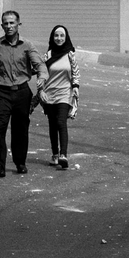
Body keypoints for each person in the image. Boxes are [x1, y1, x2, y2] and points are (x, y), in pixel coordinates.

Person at [0, 11, 49, 176]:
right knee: (0, 127)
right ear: (2, 25)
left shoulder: (27, 45)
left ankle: (20, 162)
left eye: (12, 23)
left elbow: (39, 64)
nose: (9, 26)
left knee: (20, 129)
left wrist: (42, 76)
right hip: (1, 93)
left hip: (21, 93)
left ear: (19, 24)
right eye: (6, 23)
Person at [37, 25, 80, 169]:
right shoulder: (47, 55)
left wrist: (75, 87)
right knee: (52, 124)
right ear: (52, 37)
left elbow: (75, 72)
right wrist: (41, 90)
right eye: (56, 35)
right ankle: (55, 154)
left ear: (66, 37)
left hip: (64, 94)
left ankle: (63, 155)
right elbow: (42, 74)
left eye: (62, 35)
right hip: (50, 94)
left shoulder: (70, 54)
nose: (59, 38)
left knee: (61, 122)